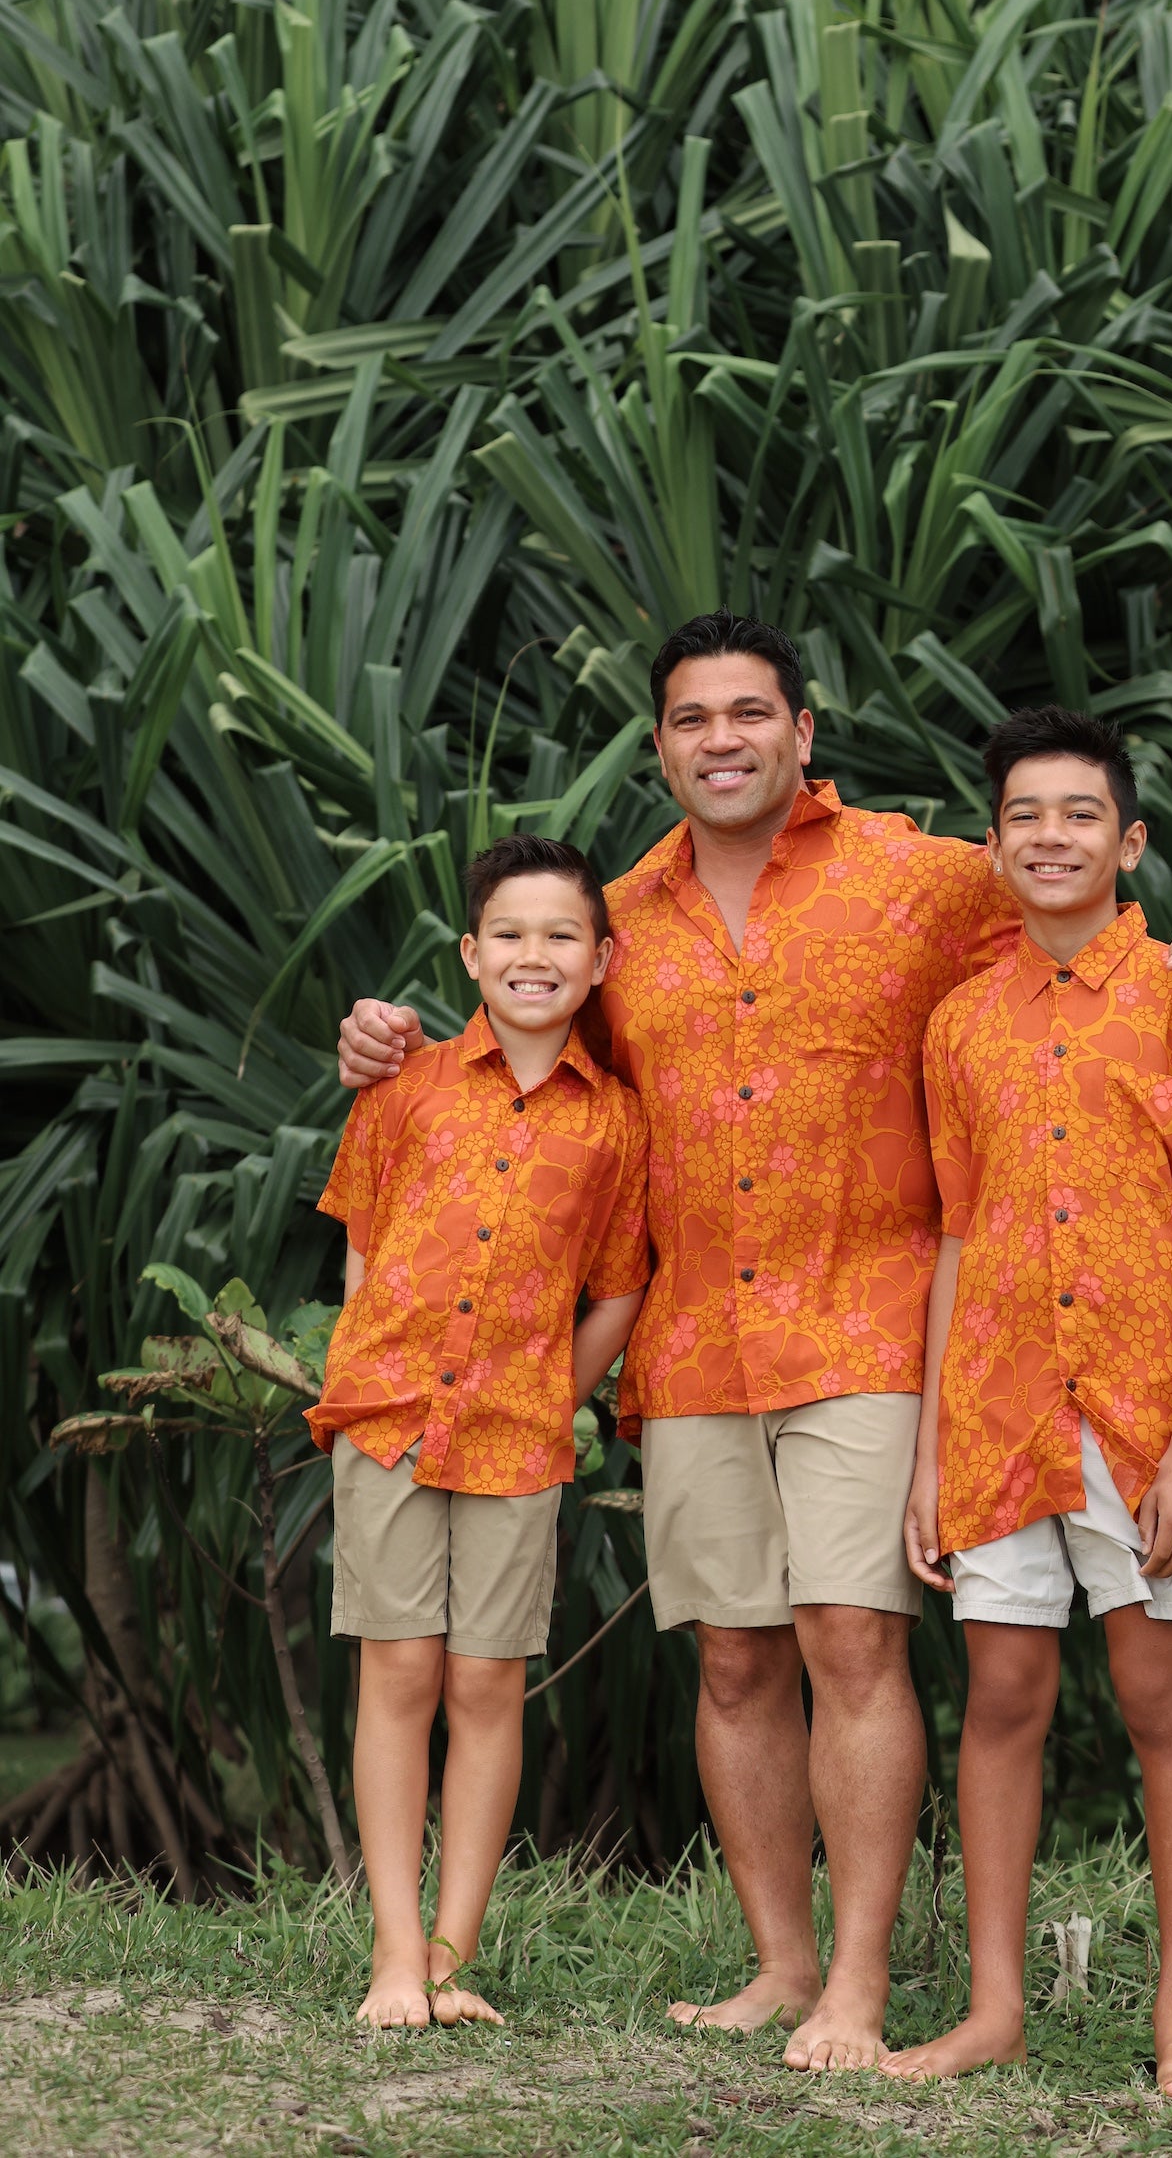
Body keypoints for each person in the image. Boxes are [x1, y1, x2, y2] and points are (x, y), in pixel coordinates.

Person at [334, 612, 1172, 2071]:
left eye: (748, 714)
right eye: (692, 719)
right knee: (729, 1660)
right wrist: (382, 1036)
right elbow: (512, 1027)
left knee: (849, 1639)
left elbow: (1071, 903)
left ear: (800, 734)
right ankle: (778, 1967)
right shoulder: (617, 916)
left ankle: (856, 1986)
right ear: (659, 747)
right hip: (694, 1335)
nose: (722, 739)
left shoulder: (915, 877)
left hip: (876, 1325)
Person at [880, 705, 1172, 2096]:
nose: (1048, 836)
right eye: (1022, 815)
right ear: (991, 843)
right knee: (999, 1691)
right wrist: (926, 1457)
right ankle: (993, 2007)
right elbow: (954, 1235)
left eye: (1079, 814)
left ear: (1126, 842)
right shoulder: (956, 1024)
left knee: (1154, 1691)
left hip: (1139, 1414)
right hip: (997, 1413)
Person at [308, 834, 648, 2029]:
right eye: (508, 933)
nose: (533, 955)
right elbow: (361, 1240)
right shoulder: (401, 1087)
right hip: (391, 1421)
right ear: (469, 952)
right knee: (397, 1669)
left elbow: (617, 1286)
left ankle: (455, 1957)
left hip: (516, 1436)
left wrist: (557, 1392)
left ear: (601, 959)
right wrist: (361, 1378)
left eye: (560, 935)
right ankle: (393, 1956)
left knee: (488, 1681)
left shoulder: (616, 1124)